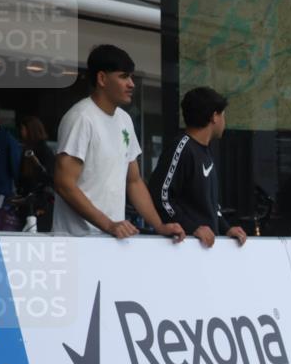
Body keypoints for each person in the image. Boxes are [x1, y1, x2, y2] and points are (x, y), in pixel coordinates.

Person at [53, 44, 184, 241]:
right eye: (123, 76)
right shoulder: (81, 118)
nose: (131, 84)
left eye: (131, 77)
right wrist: (108, 224)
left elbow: (134, 181)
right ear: (102, 79)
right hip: (76, 242)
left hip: (112, 240)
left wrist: (159, 226)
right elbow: (64, 184)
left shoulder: (125, 120)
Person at [149, 86, 247, 247]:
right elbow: (160, 195)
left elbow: (210, 206)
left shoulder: (205, 151)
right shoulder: (182, 148)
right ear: (215, 116)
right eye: (223, 115)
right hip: (185, 249)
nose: (224, 121)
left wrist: (225, 228)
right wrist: (191, 228)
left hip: (205, 251)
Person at [17, 116, 56, 232]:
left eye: (23, 129)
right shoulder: (26, 149)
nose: (21, 132)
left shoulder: (44, 151)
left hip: (41, 204)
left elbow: (49, 177)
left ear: (30, 131)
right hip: (28, 203)